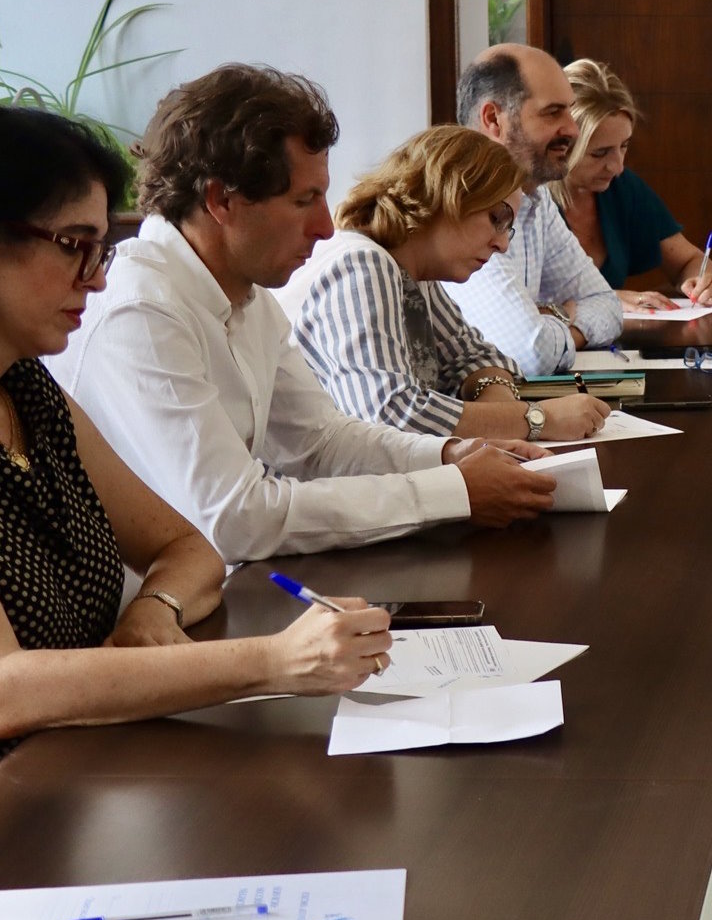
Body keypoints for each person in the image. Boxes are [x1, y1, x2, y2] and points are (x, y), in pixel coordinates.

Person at [0, 106, 390, 905]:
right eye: (73, 247)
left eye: (103, 248)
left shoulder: (26, 390)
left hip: (59, 789)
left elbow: (186, 546)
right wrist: (272, 662)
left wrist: (154, 608)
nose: (97, 277)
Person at [49, 65, 556, 563]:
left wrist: (449, 457)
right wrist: (452, 492)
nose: (325, 226)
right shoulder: (142, 309)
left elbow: (321, 442)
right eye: (304, 200)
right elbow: (233, 519)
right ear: (221, 200)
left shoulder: (249, 298)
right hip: (149, 613)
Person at [282, 125, 611, 441]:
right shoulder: (361, 263)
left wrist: (499, 421)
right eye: (497, 219)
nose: (502, 245)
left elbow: (478, 357)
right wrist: (537, 420)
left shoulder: (413, 272)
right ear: (447, 194)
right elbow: (390, 417)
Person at [442, 44, 624, 375]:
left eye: (569, 111)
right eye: (553, 113)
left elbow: (607, 304)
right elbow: (529, 352)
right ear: (493, 119)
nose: (572, 129)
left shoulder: (534, 201)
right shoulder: (459, 205)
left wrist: (548, 317)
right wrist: (562, 316)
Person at [548, 58, 712, 312]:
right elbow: (514, 306)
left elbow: (688, 260)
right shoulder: (528, 203)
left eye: (624, 146)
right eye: (599, 153)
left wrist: (702, 281)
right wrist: (604, 300)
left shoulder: (622, 187)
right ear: (562, 146)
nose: (617, 166)